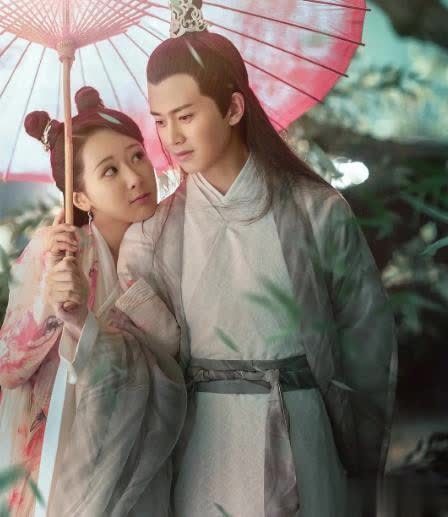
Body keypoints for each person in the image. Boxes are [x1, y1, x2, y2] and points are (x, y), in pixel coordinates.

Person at [118, 2, 397, 516]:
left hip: (304, 434)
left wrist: (359, 458)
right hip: (204, 452)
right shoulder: (152, 240)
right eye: (160, 121)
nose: (172, 137)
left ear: (232, 108)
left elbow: (367, 340)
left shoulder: (318, 213)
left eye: (186, 116)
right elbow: (141, 370)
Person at [0, 86, 186, 517]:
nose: (134, 177)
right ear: (80, 196)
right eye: (110, 171)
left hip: (140, 452)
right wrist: (50, 303)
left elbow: (175, 352)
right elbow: (8, 367)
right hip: (61, 454)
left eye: (137, 156)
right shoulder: (57, 250)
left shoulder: (169, 243)